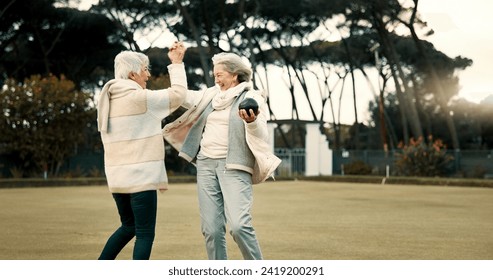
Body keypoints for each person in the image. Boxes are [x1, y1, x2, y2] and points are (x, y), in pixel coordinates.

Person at [163, 52, 281, 260]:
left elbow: (262, 135)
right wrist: (177, 64)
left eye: (220, 75)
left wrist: (251, 122)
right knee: (212, 230)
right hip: (206, 165)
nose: (216, 79)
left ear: (235, 75)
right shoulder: (210, 96)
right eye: (215, 75)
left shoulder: (252, 98)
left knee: (239, 226)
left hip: (235, 166)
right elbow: (180, 95)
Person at [96, 42, 187, 260]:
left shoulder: (106, 100)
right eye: (145, 69)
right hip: (141, 178)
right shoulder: (140, 98)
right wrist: (176, 63)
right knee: (145, 234)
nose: (148, 75)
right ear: (132, 73)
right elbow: (179, 95)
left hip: (117, 179)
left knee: (128, 227)